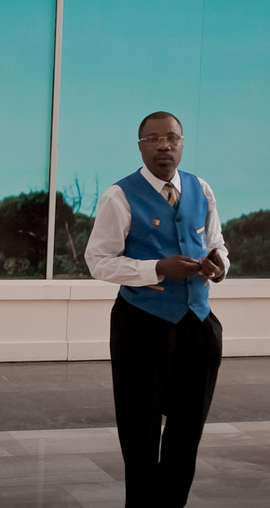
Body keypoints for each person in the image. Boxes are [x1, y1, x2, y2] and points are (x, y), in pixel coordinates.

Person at [85, 111, 229, 507]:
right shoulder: (119, 196)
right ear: (140, 146)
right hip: (141, 324)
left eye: (172, 138)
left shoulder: (201, 188)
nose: (164, 145)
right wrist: (156, 268)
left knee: (188, 429)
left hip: (198, 323)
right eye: (153, 139)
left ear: (182, 143)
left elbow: (216, 241)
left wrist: (220, 264)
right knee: (140, 431)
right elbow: (98, 261)